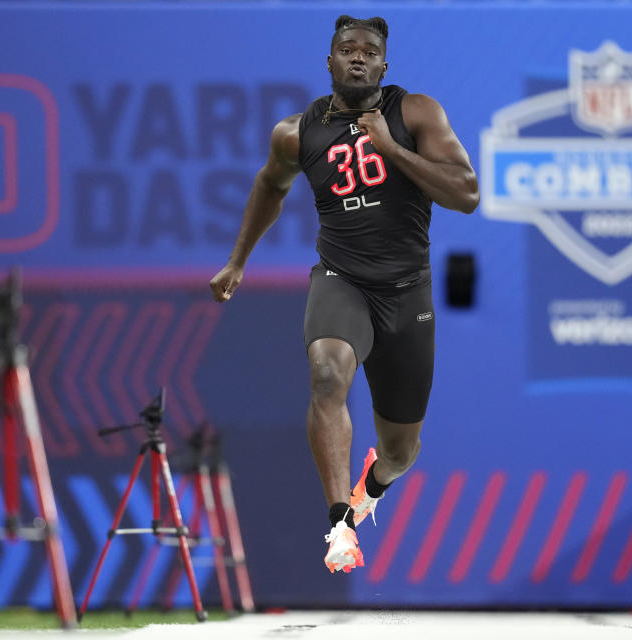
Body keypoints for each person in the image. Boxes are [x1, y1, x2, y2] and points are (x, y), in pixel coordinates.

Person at [209, 15, 478, 573]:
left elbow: (467, 194)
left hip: (407, 294)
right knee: (327, 372)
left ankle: (371, 487)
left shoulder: (415, 112)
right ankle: (339, 524)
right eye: (347, 49)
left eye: (370, 50)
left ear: (384, 65)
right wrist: (238, 261)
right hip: (342, 280)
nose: (358, 57)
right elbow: (269, 186)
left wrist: (391, 148)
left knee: (402, 451)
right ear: (328, 62)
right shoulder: (296, 132)